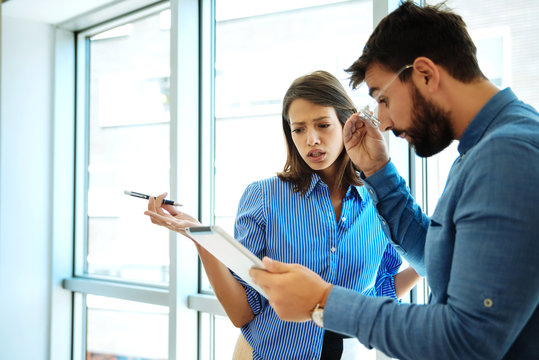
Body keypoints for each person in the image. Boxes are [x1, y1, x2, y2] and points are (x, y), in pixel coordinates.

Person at [249, 2, 539, 360]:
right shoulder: (485, 149)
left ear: (425, 74)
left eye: (383, 99)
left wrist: (325, 300)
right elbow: (439, 263)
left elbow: (466, 339)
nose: (382, 121)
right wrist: (378, 172)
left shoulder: (507, 156)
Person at [145, 70, 420, 360]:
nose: (311, 139)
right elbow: (242, 312)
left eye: (323, 125)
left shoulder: (379, 201)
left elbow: (382, 290)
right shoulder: (263, 198)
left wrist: (433, 260)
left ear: (346, 122)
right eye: (298, 129)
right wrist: (201, 238)